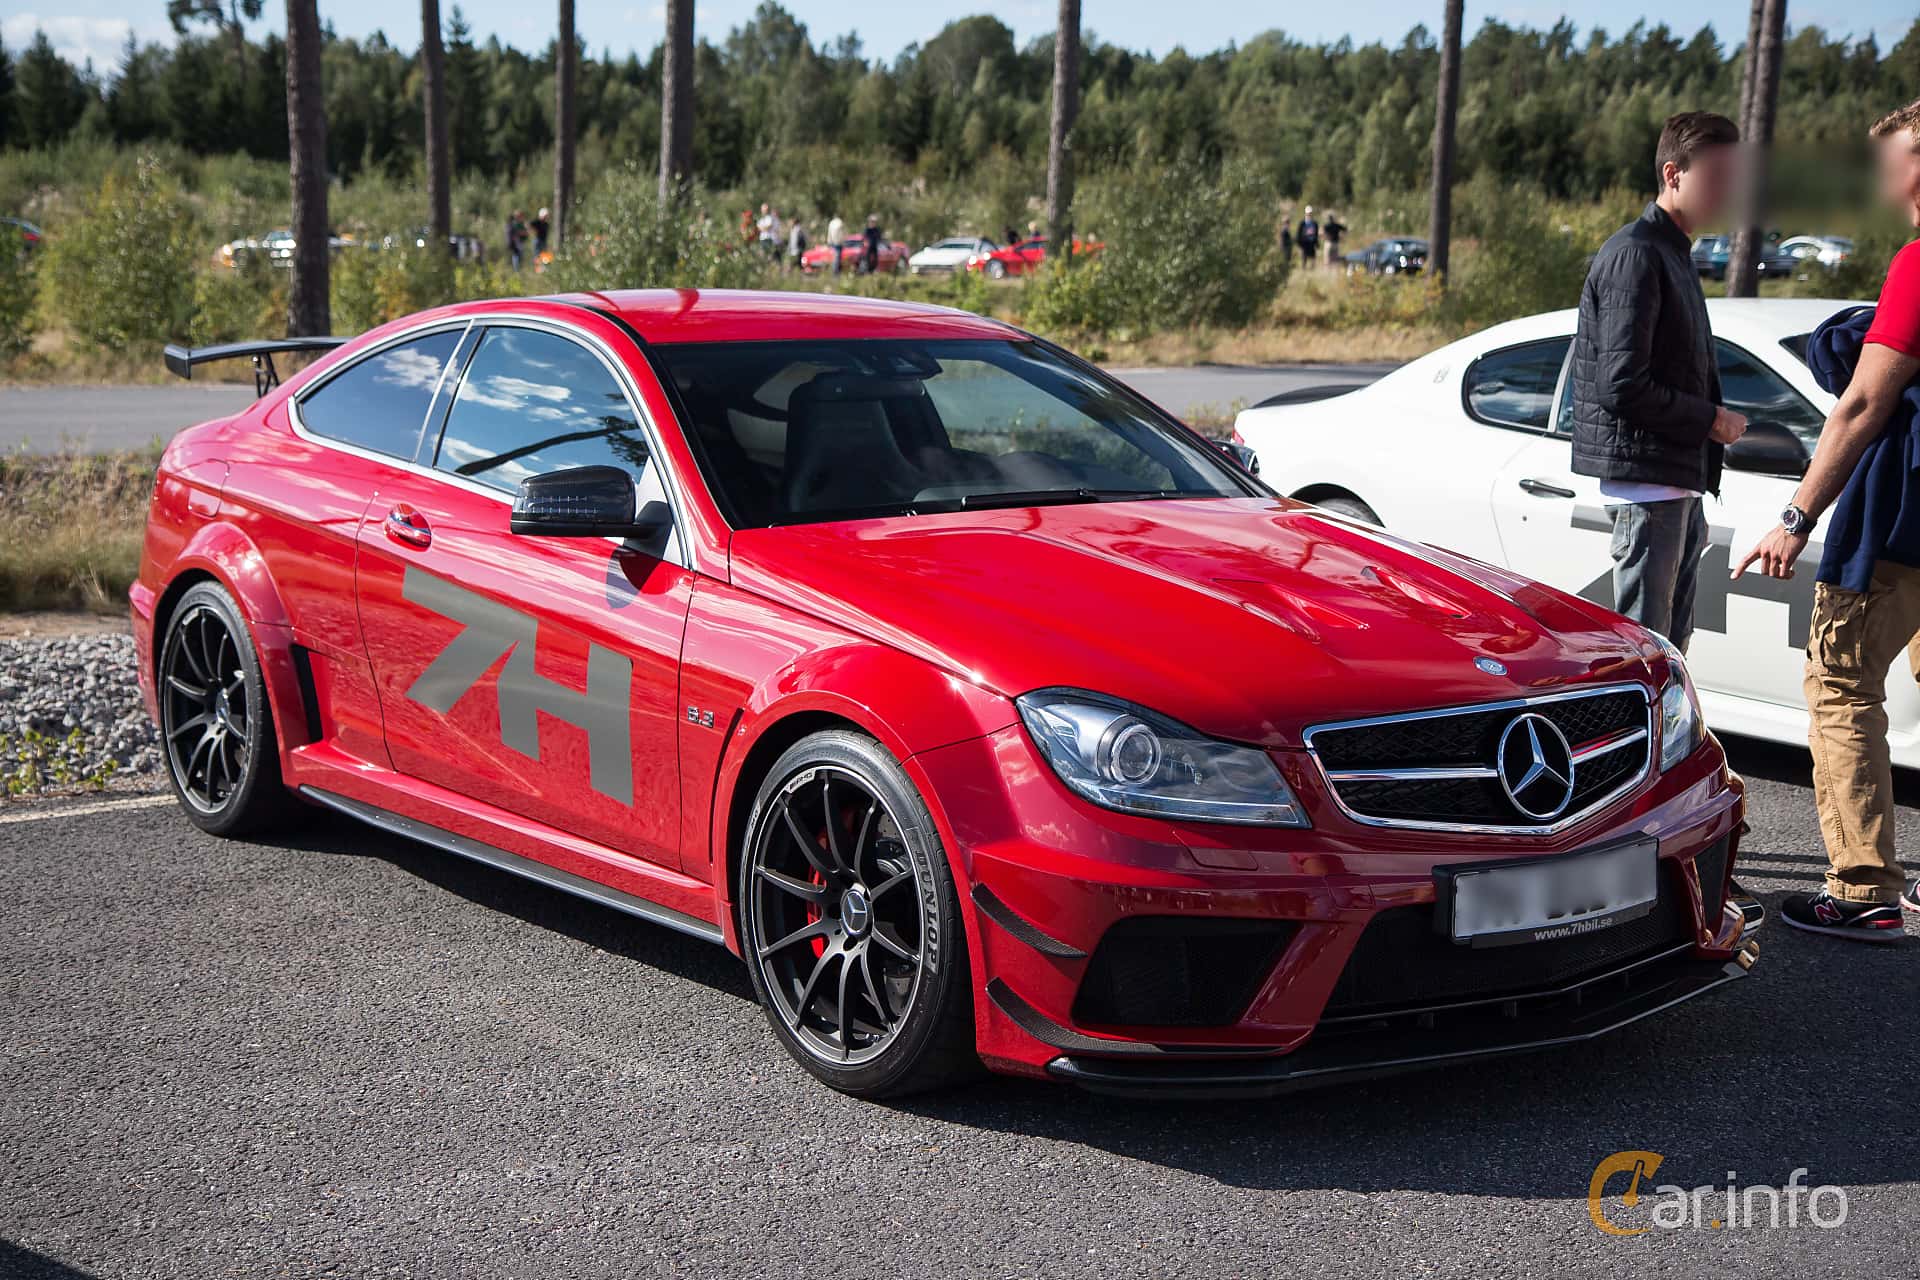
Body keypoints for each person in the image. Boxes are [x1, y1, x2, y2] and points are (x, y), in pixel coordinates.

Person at [1733, 96, 1920, 940]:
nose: (1880, 172)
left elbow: (1862, 405)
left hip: (1897, 525)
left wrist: (1795, 514)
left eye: (1894, 156)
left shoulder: (1917, 263)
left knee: (1841, 689)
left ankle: (1862, 890)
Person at [1570, 111, 1746, 653]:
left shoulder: (1672, 251)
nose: (1727, 190)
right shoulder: (1638, 254)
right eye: (1716, 176)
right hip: (1647, 492)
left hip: (1674, 486)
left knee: (1668, 654)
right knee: (1645, 657)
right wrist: (1711, 419)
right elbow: (1621, 383)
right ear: (1674, 174)